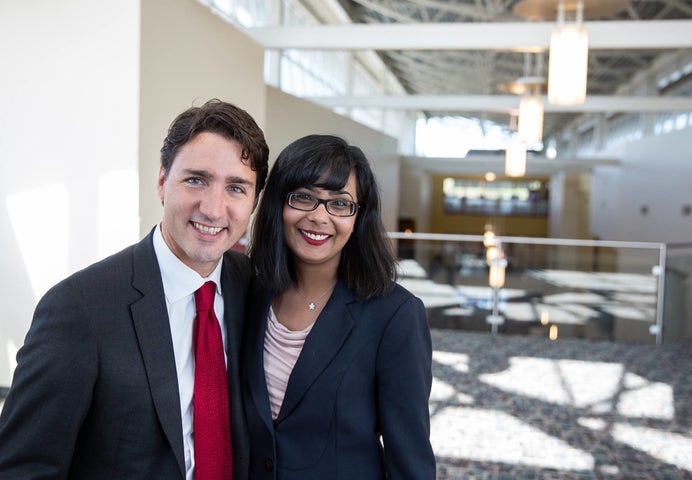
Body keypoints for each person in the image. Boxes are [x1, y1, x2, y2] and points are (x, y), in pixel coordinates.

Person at [0, 99, 269, 480]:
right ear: (162, 181)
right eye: (196, 180)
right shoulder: (79, 308)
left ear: (254, 201)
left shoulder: (255, 289)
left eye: (236, 188)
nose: (213, 208)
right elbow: (22, 467)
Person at [242, 134, 436, 479]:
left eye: (340, 203)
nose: (319, 216)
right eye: (304, 198)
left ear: (358, 216)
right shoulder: (249, 292)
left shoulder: (395, 315)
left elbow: (410, 459)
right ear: (277, 204)